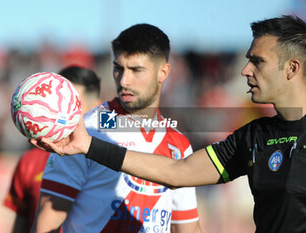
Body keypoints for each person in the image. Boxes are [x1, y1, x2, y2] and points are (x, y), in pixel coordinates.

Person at [31, 15, 306, 233]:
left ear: (292, 68)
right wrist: (88, 145)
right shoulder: (254, 136)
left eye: (257, 61)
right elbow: (177, 172)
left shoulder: (176, 140)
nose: (245, 70)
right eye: (119, 68)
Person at [31, 24, 202, 233]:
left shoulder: (180, 145)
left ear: (163, 72)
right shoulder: (84, 132)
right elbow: (46, 224)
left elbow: (187, 228)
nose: (124, 80)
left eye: (136, 70)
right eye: (118, 68)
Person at [4, 65, 101, 233]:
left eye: (71, 106)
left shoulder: (107, 161)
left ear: (96, 107)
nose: (58, 115)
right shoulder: (29, 161)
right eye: (52, 106)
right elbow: (22, 220)